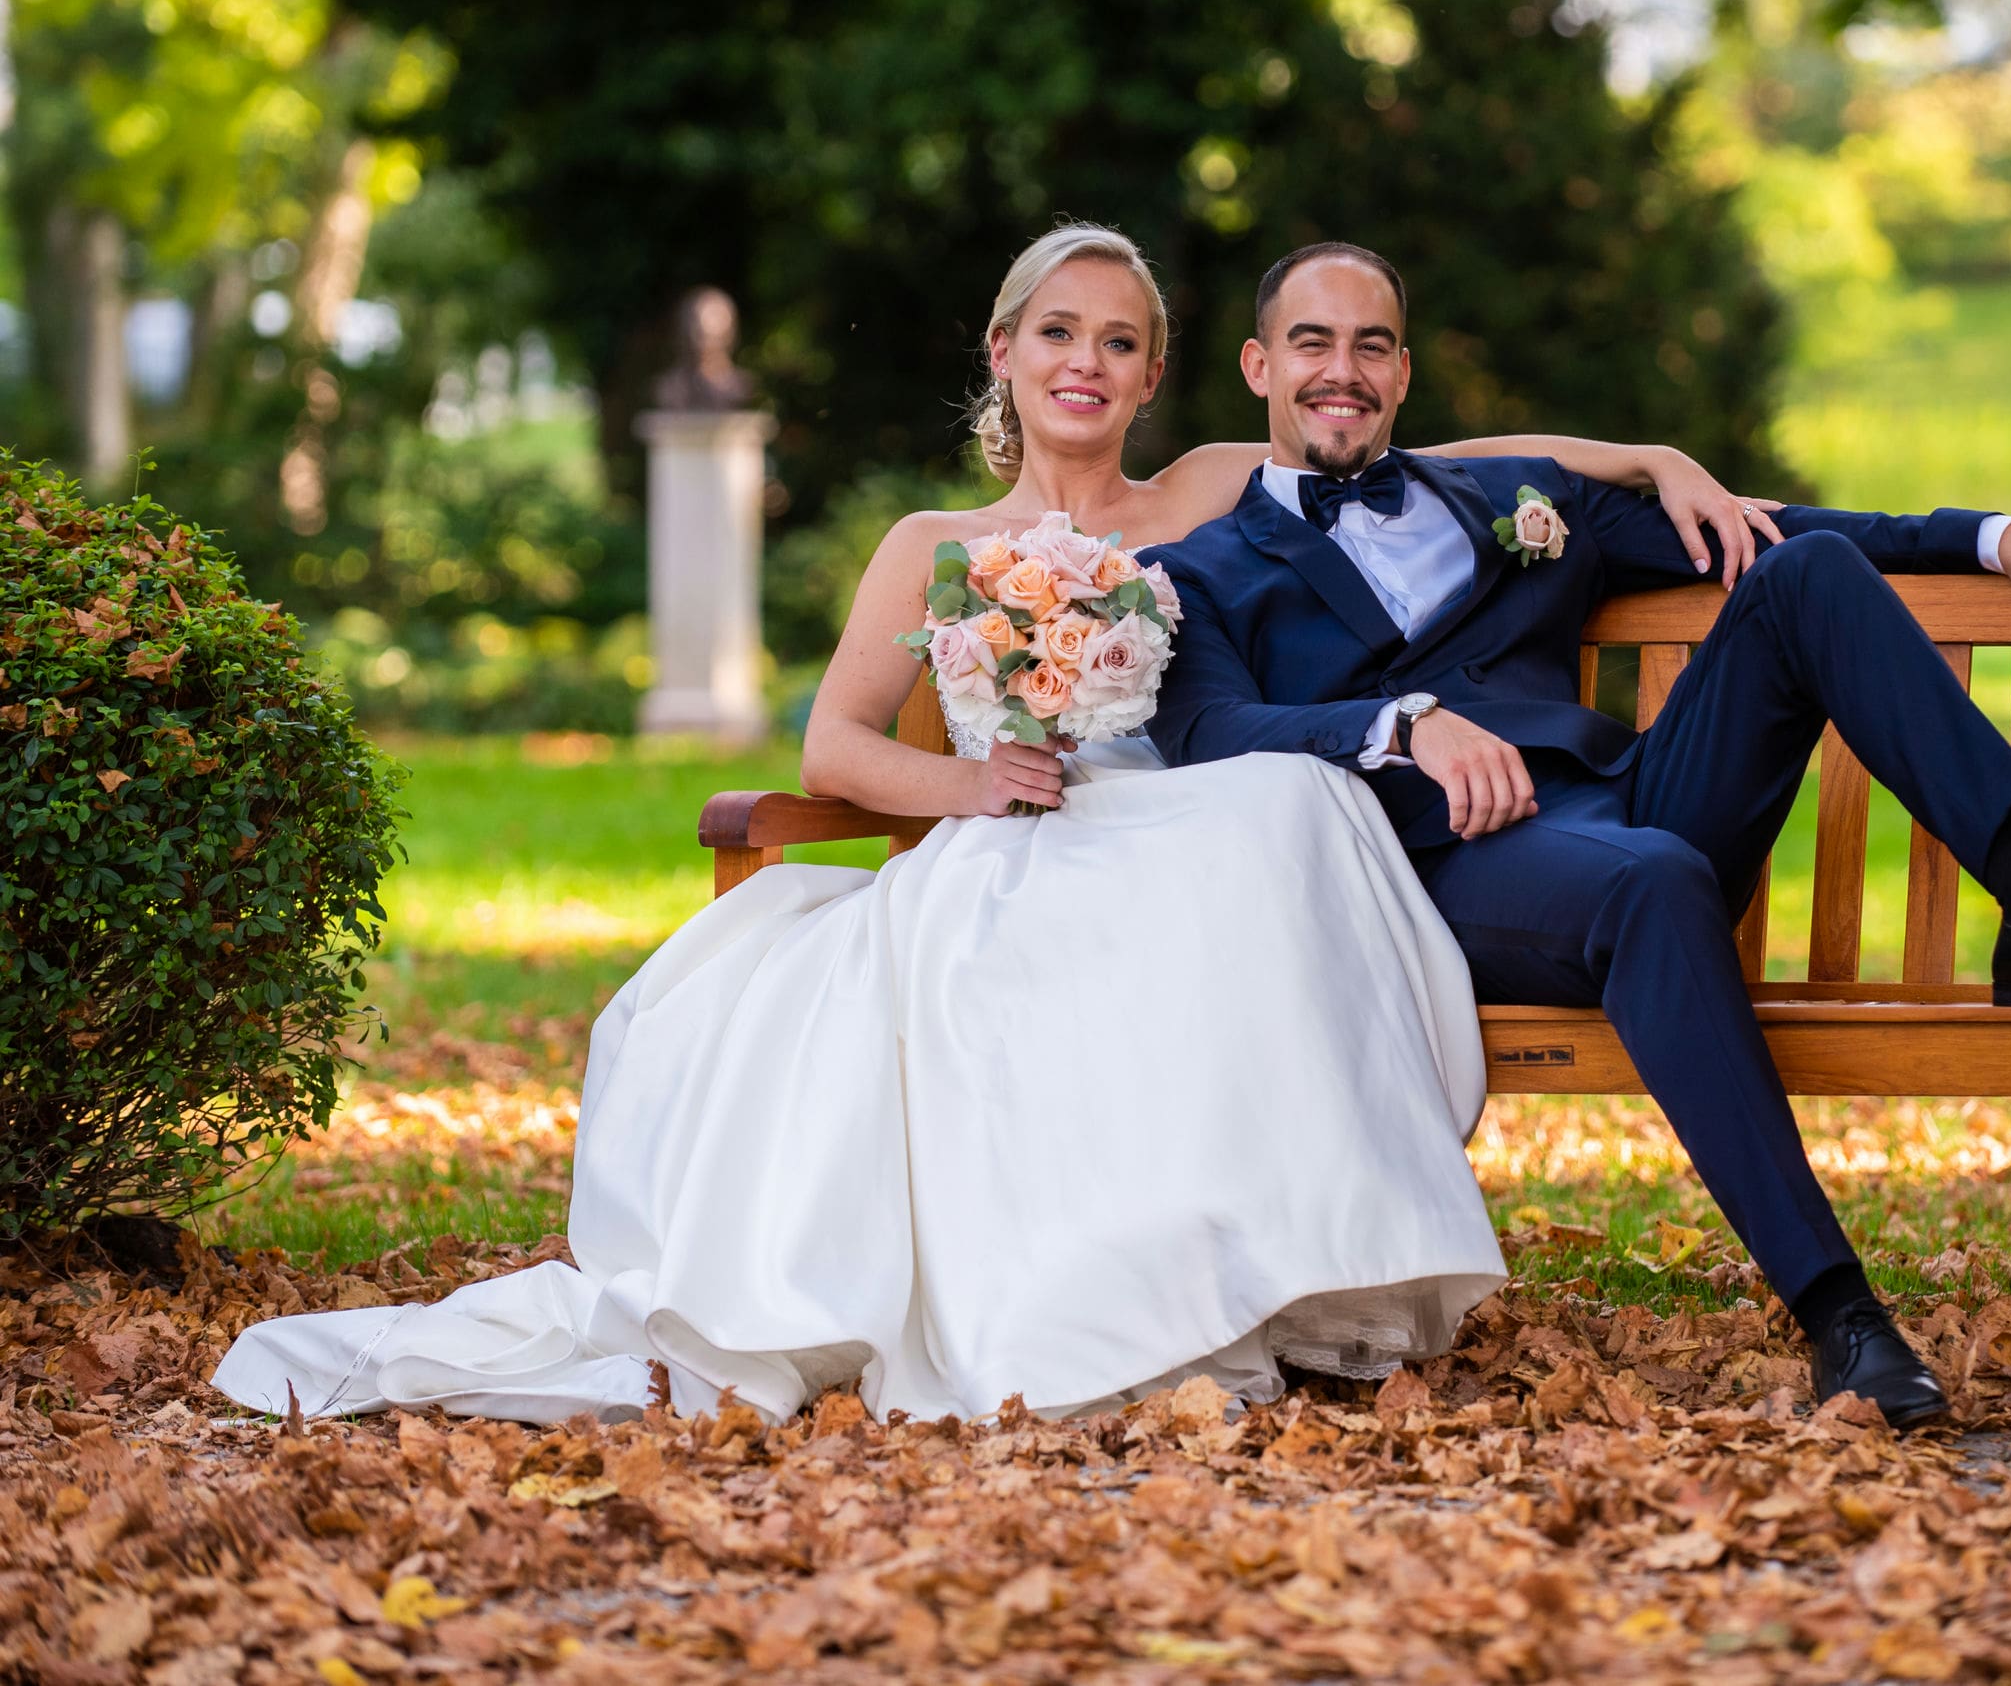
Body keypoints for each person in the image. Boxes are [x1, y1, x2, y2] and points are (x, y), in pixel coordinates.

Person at [211, 224, 1795, 1427]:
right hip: (1018, 833)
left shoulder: (1208, 489)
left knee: (1274, 812)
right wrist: (972, 783)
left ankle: (1254, 1263)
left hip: (1189, 822)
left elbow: (1435, 458)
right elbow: (833, 741)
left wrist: (1645, 457)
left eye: (1119, 341)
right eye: (1058, 333)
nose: (1085, 364)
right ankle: (1079, 1297)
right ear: (1005, 350)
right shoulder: (935, 539)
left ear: (1154, 374)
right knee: (1093, 910)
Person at [1144, 241, 2011, 1431]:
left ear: (1404, 371)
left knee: (1809, 575)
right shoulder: (1198, 573)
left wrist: (1990, 538)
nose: (1344, 370)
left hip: (1624, 801)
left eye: (1370, 344)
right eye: (1313, 344)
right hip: (1443, 868)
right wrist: (1401, 723)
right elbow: (1210, 730)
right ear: (1259, 366)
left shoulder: (1512, 497)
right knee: (1653, 880)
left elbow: (1766, 528)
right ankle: (1842, 1315)